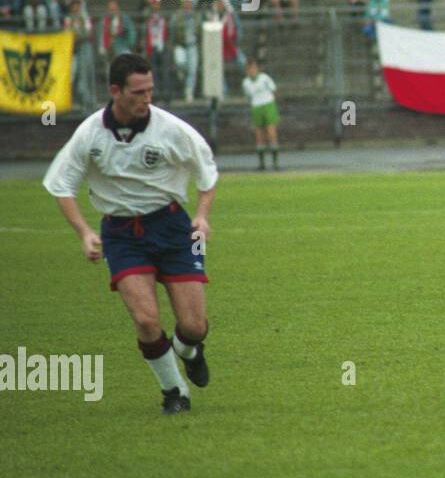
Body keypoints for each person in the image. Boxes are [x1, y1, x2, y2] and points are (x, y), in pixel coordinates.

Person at [43, 53, 218, 415]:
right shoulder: (90, 133)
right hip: (121, 234)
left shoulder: (171, 129)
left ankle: (188, 350)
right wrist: (85, 232)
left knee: (193, 325)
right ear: (115, 91)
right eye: (138, 92)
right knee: (146, 319)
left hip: (172, 228)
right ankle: (174, 392)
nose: (146, 98)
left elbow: (207, 173)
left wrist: (201, 216)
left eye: (150, 90)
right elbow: (61, 186)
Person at [241, 58, 280, 170]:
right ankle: (262, 163)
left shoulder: (264, 78)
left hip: (268, 105)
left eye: (253, 68)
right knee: (259, 135)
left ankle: (275, 163)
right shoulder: (246, 83)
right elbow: (248, 97)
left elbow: (273, 90)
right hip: (256, 107)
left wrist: (272, 104)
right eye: (249, 69)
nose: (252, 71)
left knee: (271, 133)